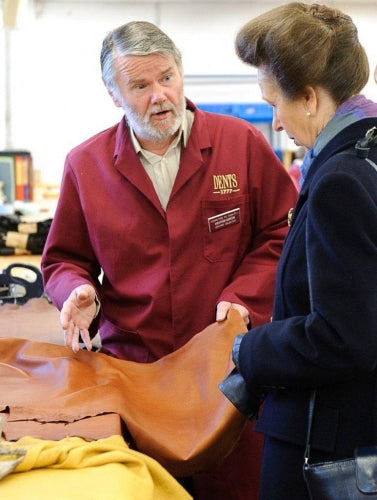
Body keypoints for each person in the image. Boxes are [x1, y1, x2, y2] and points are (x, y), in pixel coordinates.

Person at [41, 20, 298, 499]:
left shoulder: (241, 144)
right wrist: (76, 290)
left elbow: (281, 233)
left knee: (236, 486)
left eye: (167, 78)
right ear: (114, 93)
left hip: (229, 372)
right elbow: (63, 259)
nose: (160, 96)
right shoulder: (85, 164)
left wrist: (244, 297)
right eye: (140, 85)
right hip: (139, 379)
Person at [220, 3, 377, 499]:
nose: (277, 122)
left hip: (327, 448)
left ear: (308, 98)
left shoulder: (338, 183)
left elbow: (342, 336)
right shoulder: (366, 156)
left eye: (274, 104)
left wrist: (250, 348)